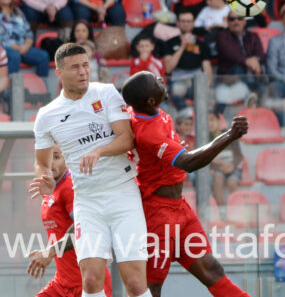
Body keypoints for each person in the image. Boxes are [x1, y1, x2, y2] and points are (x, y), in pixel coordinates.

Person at [29, 43, 151, 297]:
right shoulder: (47, 115)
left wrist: (98, 151)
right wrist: (44, 177)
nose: (83, 72)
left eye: (86, 65)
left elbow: (126, 138)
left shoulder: (106, 93)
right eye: (75, 67)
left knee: (136, 283)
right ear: (60, 73)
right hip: (87, 200)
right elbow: (41, 161)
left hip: (123, 194)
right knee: (92, 280)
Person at [122, 70, 250, 297]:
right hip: (158, 215)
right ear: (150, 100)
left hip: (179, 209)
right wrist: (229, 135)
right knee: (152, 287)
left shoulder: (149, 111)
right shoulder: (148, 132)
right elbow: (188, 163)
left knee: (211, 269)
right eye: (156, 81)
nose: (161, 80)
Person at [27, 143, 113, 297]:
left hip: (87, 281)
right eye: (47, 158)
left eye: (57, 157)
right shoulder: (49, 188)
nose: (51, 163)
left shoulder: (69, 187)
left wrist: (50, 251)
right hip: (63, 283)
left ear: (66, 159)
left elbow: (84, 225)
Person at [163, 8, 212, 110]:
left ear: (193, 23)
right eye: (183, 21)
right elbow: (168, 68)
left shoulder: (201, 44)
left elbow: (207, 68)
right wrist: (182, 47)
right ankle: (186, 116)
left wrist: (206, 85)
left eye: (189, 21)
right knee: (176, 93)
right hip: (178, 79)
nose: (186, 24)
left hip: (197, 79)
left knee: (210, 96)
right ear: (178, 23)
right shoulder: (169, 43)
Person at [0, 0, 49, 78]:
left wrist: (26, 46)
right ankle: (8, 91)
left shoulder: (18, 12)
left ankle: (41, 90)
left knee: (43, 56)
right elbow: (2, 40)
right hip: (6, 49)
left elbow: (29, 33)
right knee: (14, 56)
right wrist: (18, 48)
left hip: (23, 48)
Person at [216, 10, 264, 102]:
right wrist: (247, 61)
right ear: (228, 22)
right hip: (230, 78)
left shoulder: (253, 36)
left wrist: (255, 60)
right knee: (238, 67)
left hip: (252, 75)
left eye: (240, 18)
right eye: (232, 19)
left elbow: (261, 55)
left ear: (244, 21)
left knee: (265, 89)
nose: (236, 22)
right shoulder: (222, 36)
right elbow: (231, 54)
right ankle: (248, 95)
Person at [209, 110, 242, 212]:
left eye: (212, 120)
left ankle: (234, 210)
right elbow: (209, 160)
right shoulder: (205, 139)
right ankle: (221, 210)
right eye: (207, 121)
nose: (210, 123)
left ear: (219, 121)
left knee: (232, 182)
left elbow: (238, 155)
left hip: (232, 168)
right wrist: (220, 167)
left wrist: (232, 166)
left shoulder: (229, 135)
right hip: (218, 169)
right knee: (218, 179)